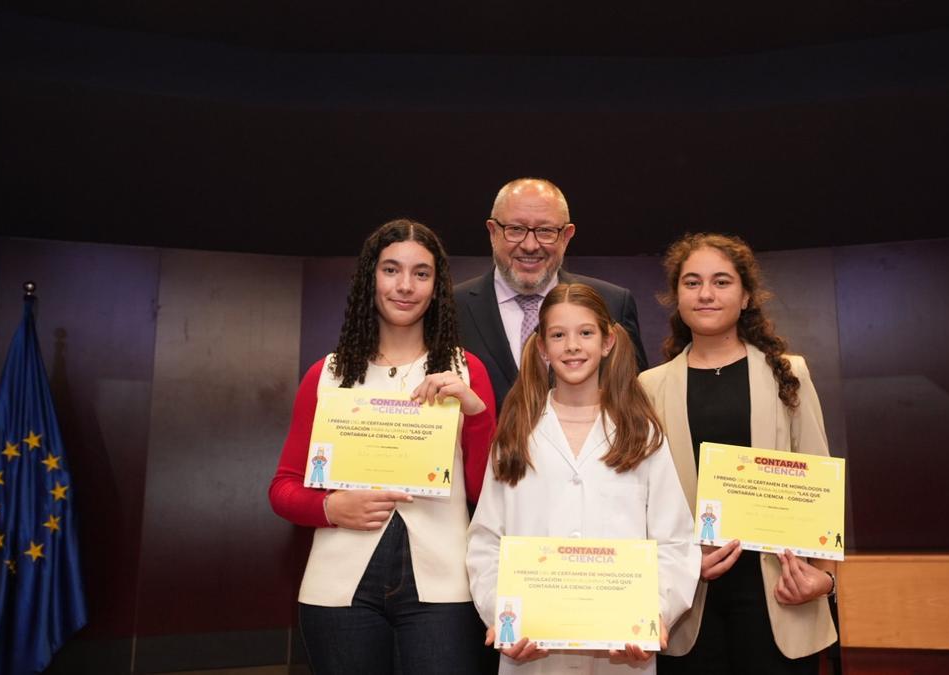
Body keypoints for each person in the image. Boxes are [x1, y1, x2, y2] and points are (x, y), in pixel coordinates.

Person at [268, 219, 496, 675]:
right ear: (370, 277)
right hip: (338, 590)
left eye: (421, 273)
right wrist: (332, 508)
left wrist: (475, 413)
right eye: (391, 270)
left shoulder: (464, 373)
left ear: (437, 286)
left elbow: (486, 493)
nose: (405, 286)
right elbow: (283, 488)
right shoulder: (327, 374)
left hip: (443, 590)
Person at [467, 283, 699, 674]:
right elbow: (487, 540)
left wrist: (653, 615)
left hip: (623, 651)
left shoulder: (641, 433)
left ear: (608, 341)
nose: (572, 346)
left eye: (586, 333)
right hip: (533, 650)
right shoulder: (515, 433)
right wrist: (503, 615)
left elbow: (674, 540)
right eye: (558, 335)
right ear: (542, 348)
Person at [638, 233, 837, 675]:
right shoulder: (649, 387)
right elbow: (641, 500)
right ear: (676, 297)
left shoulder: (789, 372)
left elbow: (819, 477)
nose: (706, 294)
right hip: (690, 600)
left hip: (779, 594)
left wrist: (824, 578)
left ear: (746, 296)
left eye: (721, 282)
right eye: (692, 283)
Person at [454, 178, 648, 411]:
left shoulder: (613, 304)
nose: (530, 245)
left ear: (566, 236)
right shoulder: (452, 307)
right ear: (493, 232)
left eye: (545, 231)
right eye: (515, 229)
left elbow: (633, 403)